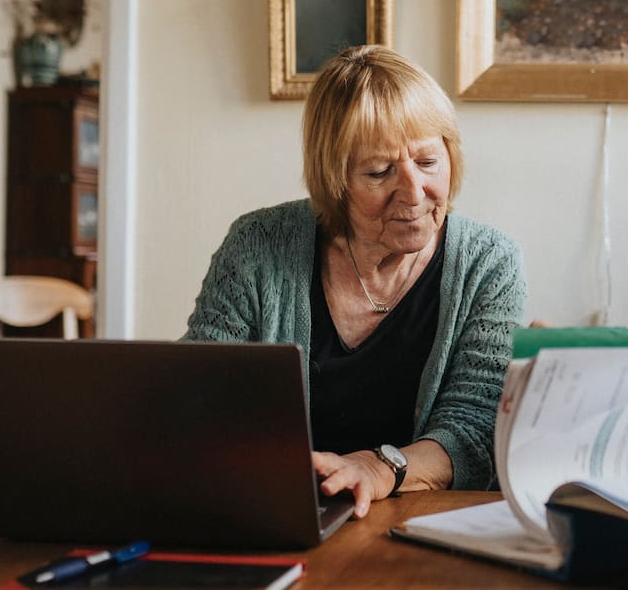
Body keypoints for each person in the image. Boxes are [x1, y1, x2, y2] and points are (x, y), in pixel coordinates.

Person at [185, 45, 527, 517]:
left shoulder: (488, 261)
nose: (413, 191)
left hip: (427, 520)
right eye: (379, 171)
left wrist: (380, 468)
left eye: (428, 162)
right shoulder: (258, 244)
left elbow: (473, 427)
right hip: (280, 512)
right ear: (333, 179)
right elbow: (198, 394)